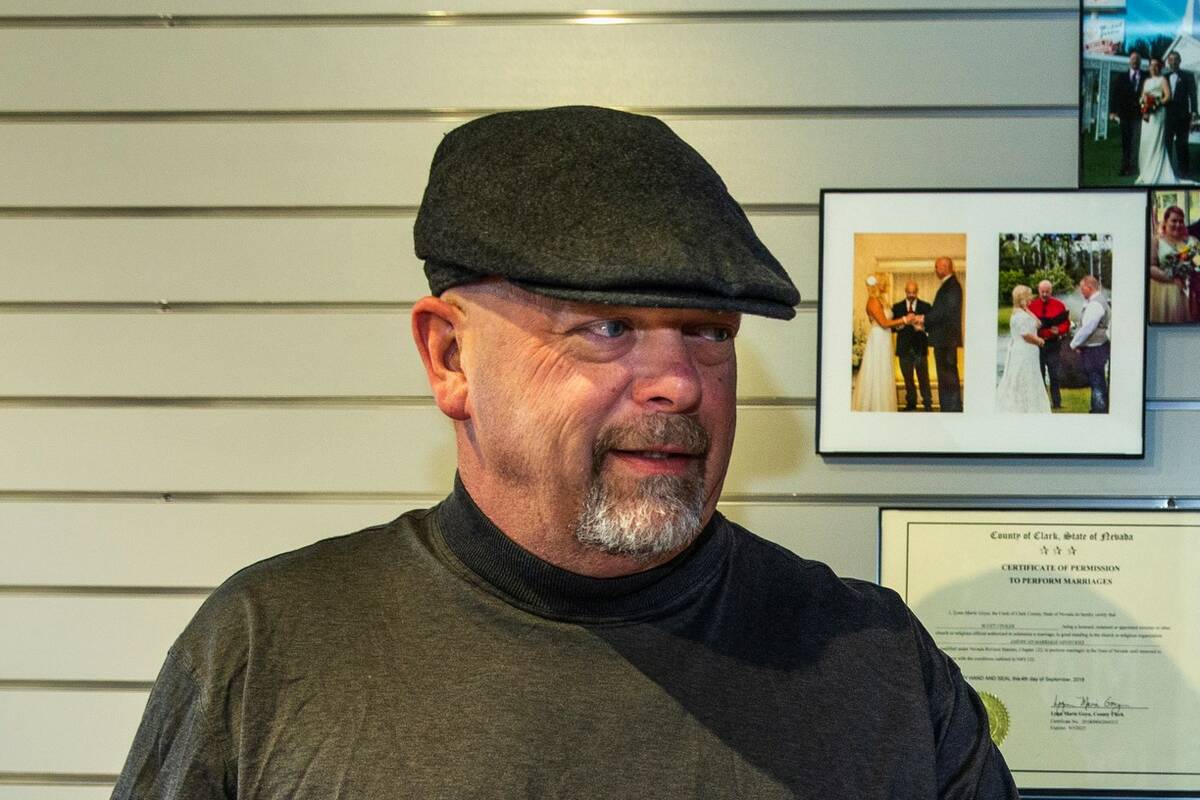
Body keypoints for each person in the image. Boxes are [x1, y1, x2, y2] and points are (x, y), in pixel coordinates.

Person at [111, 106, 1018, 799]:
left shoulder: (877, 670)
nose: (679, 383)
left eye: (709, 332)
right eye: (607, 327)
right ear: (450, 357)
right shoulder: (268, 652)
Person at [851, 273, 906, 412]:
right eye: (884, 282)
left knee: (884, 369)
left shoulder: (881, 300)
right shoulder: (873, 301)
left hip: (884, 337)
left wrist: (898, 325)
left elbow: (886, 323)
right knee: (877, 369)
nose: (886, 285)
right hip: (878, 338)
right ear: (877, 284)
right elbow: (883, 323)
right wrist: (904, 320)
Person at [916, 256, 964, 412]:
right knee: (946, 377)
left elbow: (942, 313)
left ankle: (951, 410)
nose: (935, 270)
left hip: (946, 341)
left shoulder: (951, 286)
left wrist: (922, 319)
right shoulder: (950, 285)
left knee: (947, 377)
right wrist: (925, 323)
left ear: (945, 267)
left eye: (937, 267)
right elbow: (942, 313)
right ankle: (949, 409)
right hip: (945, 340)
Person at [995, 285, 1051, 414]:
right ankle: (1020, 405)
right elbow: (1025, 335)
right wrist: (1039, 341)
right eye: (1029, 296)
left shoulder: (1023, 313)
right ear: (1023, 298)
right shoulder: (1020, 316)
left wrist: (1027, 309)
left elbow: (1038, 324)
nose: (1032, 298)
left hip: (1029, 351)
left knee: (1031, 375)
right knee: (1022, 375)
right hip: (1024, 349)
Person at [1070, 274, 1111, 414]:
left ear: (1090, 287)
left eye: (1082, 289)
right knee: (1097, 379)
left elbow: (1087, 328)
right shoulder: (1097, 301)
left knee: (1096, 380)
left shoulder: (1095, 304)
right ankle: (1098, 409)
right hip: (1098, 346)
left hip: (1095, 348)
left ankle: (1099, 410)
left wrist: (1074, 344)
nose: (1081, 292)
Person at [892, 281, 933, 411]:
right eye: (909, 292)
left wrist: (922, 327)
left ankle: (927, 404)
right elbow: (891, 327)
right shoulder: (897, 307)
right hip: (904, 349)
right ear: (905, 291)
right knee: (907, 379)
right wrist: (899, 326)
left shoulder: (926, 306)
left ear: (917, 291)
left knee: (924, 378)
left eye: (914, 292)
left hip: (920, 348)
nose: (911, 295)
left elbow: (932, 326)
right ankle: (911, 404)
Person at [1028, 279, 1069, 408]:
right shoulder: (1032, 306)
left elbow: (1066, 323)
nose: (1045, 294)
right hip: (1037, 345)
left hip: (1053, 344)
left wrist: (1059, 330)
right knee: (1039, 374)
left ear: (1051, 291)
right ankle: (1042, 403)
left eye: (1047, 291)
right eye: (1042, 291)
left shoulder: (1059, 305)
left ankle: (1057, 403)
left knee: (1054, 374)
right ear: (1038, 291)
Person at [1136, 56, 1177, 185]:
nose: (1153, 67)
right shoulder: (1146, 81)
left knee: (1156, 142)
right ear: (1149, 67)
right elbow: (1142, 97)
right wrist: (1144, 106)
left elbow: (1168, 96)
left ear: (1160, 67)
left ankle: (1157, 172)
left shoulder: (1162, 79)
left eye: (1156, 65)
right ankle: (1145, 171)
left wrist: (1156, 103)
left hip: (1158, 114)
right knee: (1146, 142)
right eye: (1151, 65)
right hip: (1147, 115)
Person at [1150, 204, 1194, 323]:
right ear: (1165, 222)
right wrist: (1172, 278)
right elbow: (1151, 268)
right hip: (1163, 294)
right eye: (1174, 221)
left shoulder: (1189, 243)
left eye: (1181, 221)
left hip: (1184, 294)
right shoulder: (1156, 241)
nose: (1178, 224)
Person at [1110, 51, 1145, 177]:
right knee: (1126, 141)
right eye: (1133, 59)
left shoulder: (1146, 76)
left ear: (1140, 62)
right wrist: (1112, 111)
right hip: (1124, 115)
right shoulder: (1121, 77)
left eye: (1137, 59)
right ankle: (1124, 166)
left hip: (1139, 115)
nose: (1135, 61)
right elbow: (1115, 95)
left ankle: (1134, 167)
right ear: (1129, 61)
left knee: (1136, 141)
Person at [1165, 51, 1197, 179]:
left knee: (1182, 144)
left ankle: (1184, 171)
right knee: (1166, 143)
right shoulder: (1164, 77)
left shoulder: (1188, 76)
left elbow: (1193, 96)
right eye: (1171, 60)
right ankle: (1167, 170)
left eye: (1175, 59)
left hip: (1183, 116)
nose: (1173, 62)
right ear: (1168, 62)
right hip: (1167, 117)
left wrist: (1194, 114)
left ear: (1180, 61)